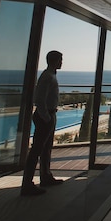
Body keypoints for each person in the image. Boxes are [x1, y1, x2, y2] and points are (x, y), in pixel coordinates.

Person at [21, 50, 65, 196]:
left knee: (46, 149)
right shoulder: (47, 77)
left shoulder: (50, 75)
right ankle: (27, 184)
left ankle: (45, 176)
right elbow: (39, 99)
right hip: (45, 117)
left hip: (49, 115)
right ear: (54, 61)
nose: (62, 62)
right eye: (60, 59)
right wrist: (47, 118)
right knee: (37, 150)